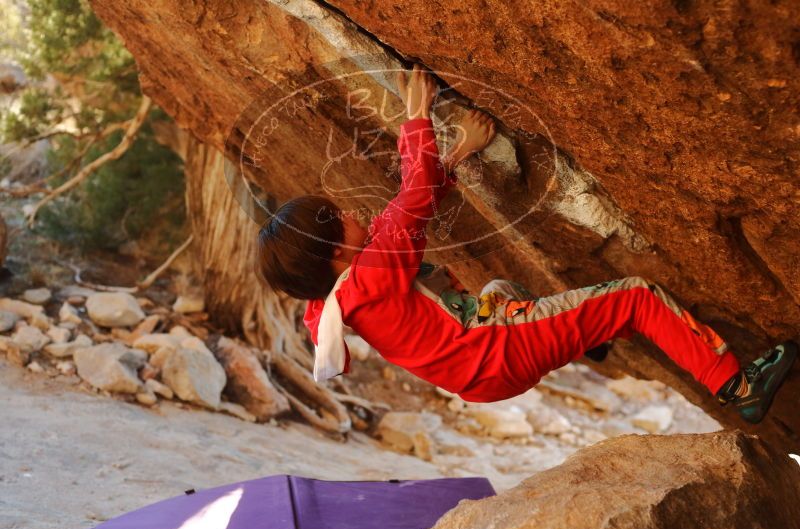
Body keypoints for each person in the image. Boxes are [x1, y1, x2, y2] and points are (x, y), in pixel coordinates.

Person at [257, 64, 796, 424]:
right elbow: (413, 195)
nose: (352, 214)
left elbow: (409, 213)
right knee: (637, 295)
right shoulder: (373, 269)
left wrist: (460, 151)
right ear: (336, 254)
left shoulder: (331, 302)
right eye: (338, 219)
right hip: (499, 349)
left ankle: (590, 336)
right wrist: (416, 115)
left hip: (479, 376)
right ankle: (735, 387)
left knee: (498, 286)